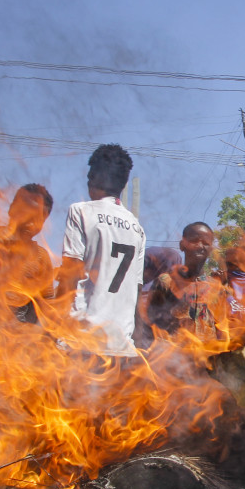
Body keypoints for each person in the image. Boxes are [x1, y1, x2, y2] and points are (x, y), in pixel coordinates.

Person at [57, 144, 145, 355]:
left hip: (82, 341)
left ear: (93, 177)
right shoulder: (137, 228)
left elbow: (71, 271)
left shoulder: (81, 211)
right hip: (122, 346)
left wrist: (54, 322)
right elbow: (137, 289)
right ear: (123, 184)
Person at [0, 183, 55, 323]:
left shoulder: (40, 256)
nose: (31, 221)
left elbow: (47, 300)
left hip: (16, 332)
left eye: (39, 217)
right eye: (27, 211)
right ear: (12, 209)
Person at [146, 222, 223, 340]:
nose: (200, 245)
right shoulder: (166, 282)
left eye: (206, 243)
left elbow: (221, 328)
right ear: (182, 245)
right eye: (194, 240)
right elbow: (150, 321)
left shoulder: (216, 287)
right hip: (173, 354)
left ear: (211, 249)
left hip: (207, 354)